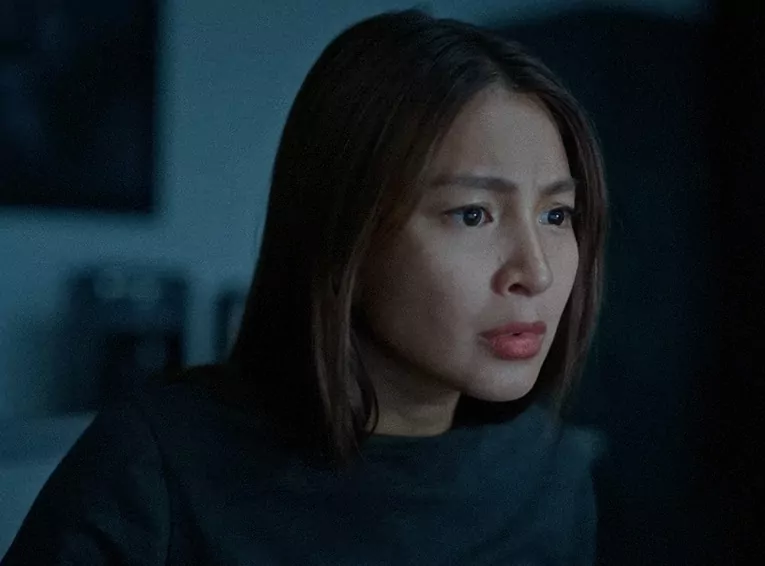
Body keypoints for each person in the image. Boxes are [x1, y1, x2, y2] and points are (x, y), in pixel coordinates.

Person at [2, 8, 607, 565]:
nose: (537, 272)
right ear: (344, 229)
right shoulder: (155, 466)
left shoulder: (552, 475)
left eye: (557, 215)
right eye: (473, 214)